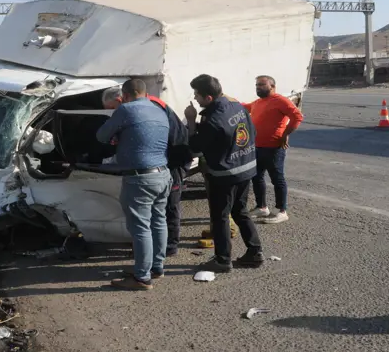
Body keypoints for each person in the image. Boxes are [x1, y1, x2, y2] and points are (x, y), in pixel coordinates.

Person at [96, 79, 172, 290]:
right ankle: (156, 268)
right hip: (163, 174)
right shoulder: (159, 109)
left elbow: (101, 136)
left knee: (140, 228)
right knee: (159, 222)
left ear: (125, 96)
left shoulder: (126, 110)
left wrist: (117, 133)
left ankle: (142, 278)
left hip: (140, 178)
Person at [185, 74, 264, 273]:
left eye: (197, 95)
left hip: (224, 174)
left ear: (208, 97)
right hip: (245, 168)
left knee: (220, 217)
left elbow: (196, 146)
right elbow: (252, 132)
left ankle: (222, 260)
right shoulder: (236, 105)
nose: (195, 98)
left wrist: (191, 121)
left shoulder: (213, 119)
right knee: (240, 211)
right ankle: (255, 252)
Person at [102, 86, 193, 257]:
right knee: (158, 210)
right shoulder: (147, 105)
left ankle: (169, 246)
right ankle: (153, 248)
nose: (114, 112)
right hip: (165, 159)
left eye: (113, 108)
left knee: (169, 204)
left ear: (121, 100)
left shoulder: (148, 108)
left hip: (175, 158)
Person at [243, 75, 304, 224]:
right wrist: (226, 98)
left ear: (272, 86)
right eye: (257, 85)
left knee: (277, 179)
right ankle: (261, 207)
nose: (258, 88)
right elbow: (244, 107)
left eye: (262, 85)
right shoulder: (258, 102)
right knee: (256, 177)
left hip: (273, 148)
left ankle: (281, 211)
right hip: (257, 147)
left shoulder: (280, 100)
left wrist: (285, 134)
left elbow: (297, 117)